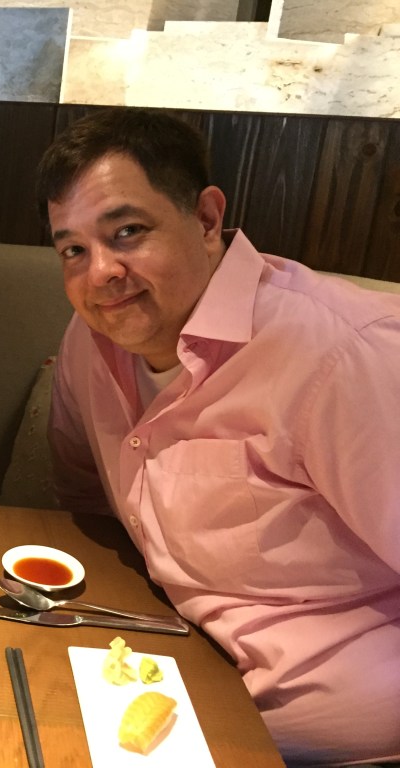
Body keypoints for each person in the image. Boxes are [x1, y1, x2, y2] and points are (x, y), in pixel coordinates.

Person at [38, 107, 400, 765]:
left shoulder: (344, 355)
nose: (100, 275)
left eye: (127, 231)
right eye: (74, 249)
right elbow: (83, 501)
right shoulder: (90, 343)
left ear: (206, 218)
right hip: (163, 686)